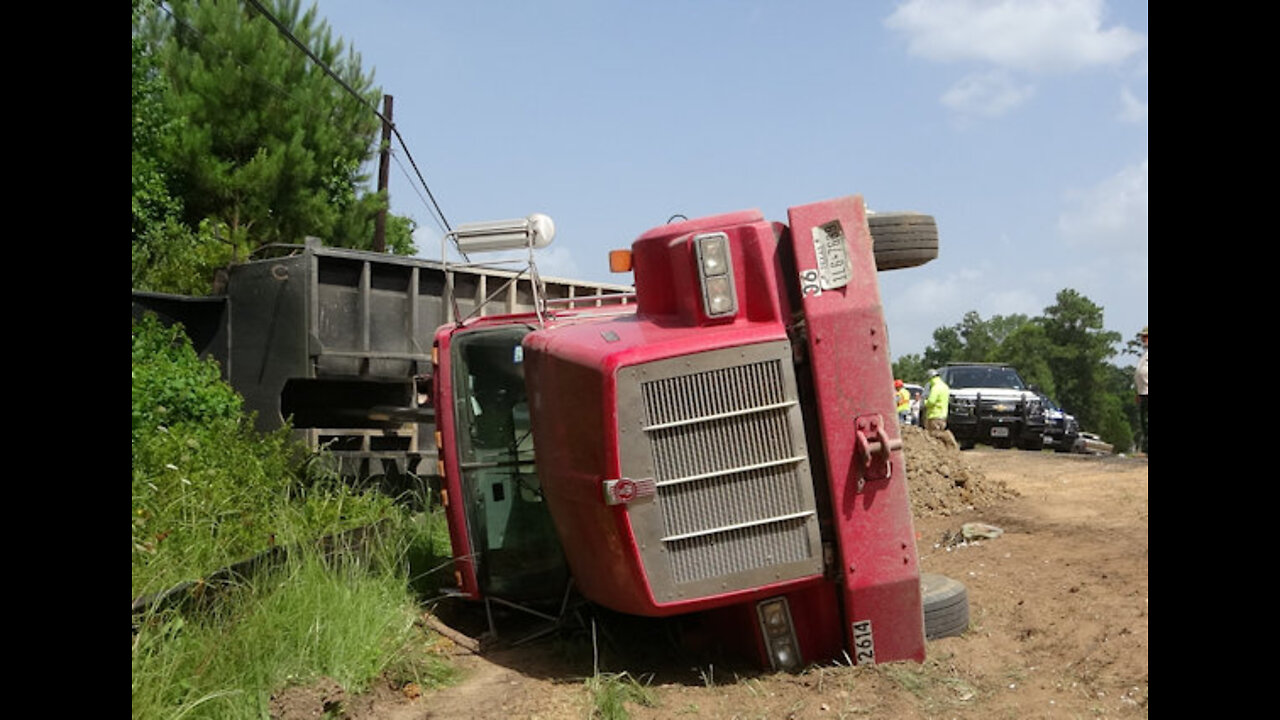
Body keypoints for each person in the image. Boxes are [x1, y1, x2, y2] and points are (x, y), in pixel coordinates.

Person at [923, 369, 956, 448]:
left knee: (933, 435)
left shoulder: (935, 387)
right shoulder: (945, 386)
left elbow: (931, 401)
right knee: (938, 436)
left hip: (934, 415)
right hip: (943, 415)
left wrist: (925, 403)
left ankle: (948, 439)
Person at [1135, 326, 1147, 454]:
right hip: (1143, 392)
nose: (1144, 339)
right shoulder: (1145, 354)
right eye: (1143, 337)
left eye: (1146, 336)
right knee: (1144, 421)